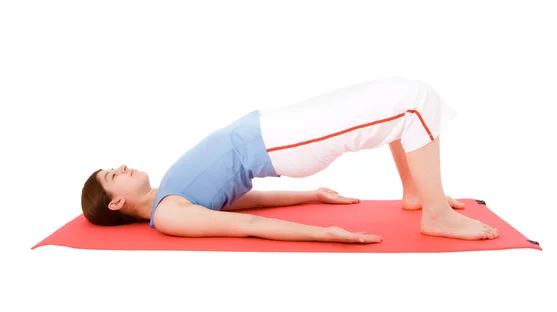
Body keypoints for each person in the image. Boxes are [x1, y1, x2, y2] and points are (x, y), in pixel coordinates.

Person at [81, 76, 499, 244]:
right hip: (283, 143)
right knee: (414, 102)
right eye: (112, 176)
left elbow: (235, 201)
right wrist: (329, 234)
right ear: (115, 202)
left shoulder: (167, 194)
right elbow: (246, 226)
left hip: (278, 130)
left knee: (403, 100)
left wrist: (311, 194)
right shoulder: (168, 214)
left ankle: (417, 193)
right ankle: (436, 214)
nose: (121, 167)